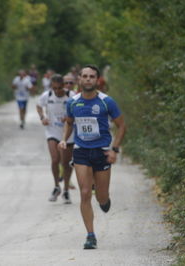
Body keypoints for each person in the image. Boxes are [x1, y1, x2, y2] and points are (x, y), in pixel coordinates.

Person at [58, 65, 126, 249]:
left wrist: (115, 149)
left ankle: (104, 197)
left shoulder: (106, 102)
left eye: (92, 76)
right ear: (79, 79)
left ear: (97, 80)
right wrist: (64, 139)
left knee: (101, 198)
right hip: (81, 151)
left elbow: (121, 126)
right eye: (85, 76)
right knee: (85, 192)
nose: (88, 79)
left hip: (102, 151)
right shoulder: (73, 102)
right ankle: (90, 235)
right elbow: (69, 123)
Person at [36, 74, 76, 204]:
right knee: (55, 159)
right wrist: (43, 118)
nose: (57, 91)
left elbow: (79, 109)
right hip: (52, 131)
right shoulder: (47, 95)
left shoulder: (71, 95)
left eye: (59, 88)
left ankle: (65, 191)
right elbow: (38, 105)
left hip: (67, 133)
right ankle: (56, 186)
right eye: (55, 88)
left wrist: (70, 118)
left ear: (64, 86)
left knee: (66, 163)